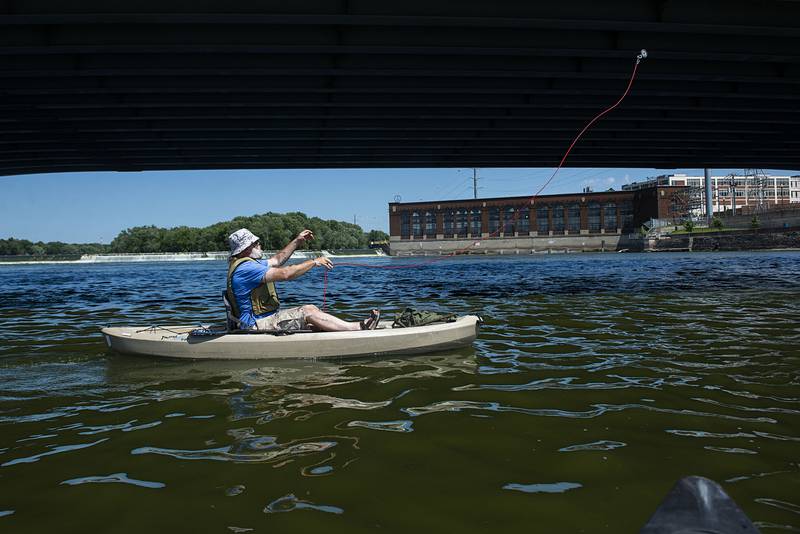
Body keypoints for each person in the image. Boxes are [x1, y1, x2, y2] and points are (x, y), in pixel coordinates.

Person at [226, 228, 380, 332]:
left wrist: (298, 241)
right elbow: (286, 274)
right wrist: (314, 262)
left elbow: (277, 260)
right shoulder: (247, 269)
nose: (260, 245)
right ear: (246, 248)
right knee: (307, 311)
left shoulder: (250, 264)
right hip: (256, 326)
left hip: (264, 320)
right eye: (256, 243)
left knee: (311, 308)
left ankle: (343, 327)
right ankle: (357, 328)